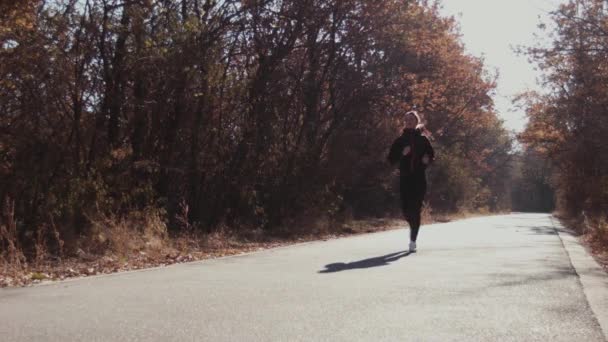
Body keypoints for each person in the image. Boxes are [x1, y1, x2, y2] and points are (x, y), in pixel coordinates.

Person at [387, 110, 435, 252]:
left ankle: (413, 241)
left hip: (419, 178)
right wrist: (402, 153)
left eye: (412, 120)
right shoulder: (400, 140)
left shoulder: (423, 139)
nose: (409, 122)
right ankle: (412, 224)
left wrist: (428, 159)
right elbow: (391, 159)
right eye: (407, 120)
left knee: (415, 209)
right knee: (405, 210)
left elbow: (431, 154)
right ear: (404, 122)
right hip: (405, 178)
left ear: (416, 122)